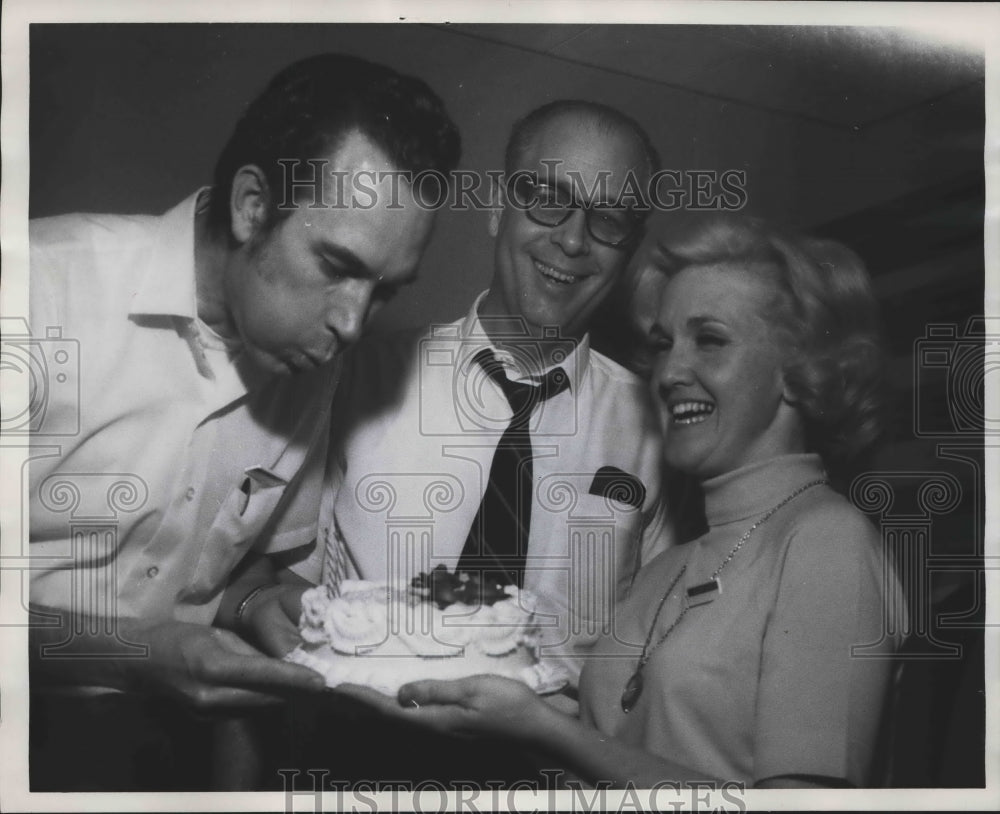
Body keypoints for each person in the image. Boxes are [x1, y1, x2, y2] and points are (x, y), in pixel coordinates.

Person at [338, 215, 905, 789]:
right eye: (664, 345)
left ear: (799, 368)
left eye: (709, 340)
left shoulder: (827, 543)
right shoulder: (665, 570)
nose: (669, 372)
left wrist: (547, 730)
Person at [27, 54, 459, 713]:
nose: (352, 323)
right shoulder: (36, 291)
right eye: (337, 265)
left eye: (384, 292)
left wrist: (259, 602)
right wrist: (134, 653)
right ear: (253, 207)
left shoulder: (308, 358)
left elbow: (231, 571)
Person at [288, 100, 671, 682]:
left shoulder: (657, 430)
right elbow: (289, 596)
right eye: (547, 199)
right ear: (496, 206)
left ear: (630, 250)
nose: (572, 241)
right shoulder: (357, 380)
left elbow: (651, 659)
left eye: (609, 220)